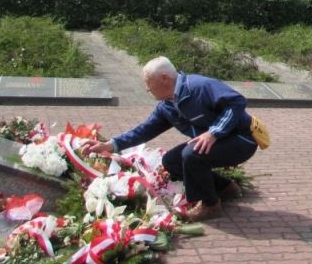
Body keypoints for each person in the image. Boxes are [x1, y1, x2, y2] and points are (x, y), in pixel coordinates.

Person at [78, 56, 257, 222]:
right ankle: (226, 188)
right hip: (216, 142)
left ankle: (210, 205)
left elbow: (237, 101)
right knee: (171, 161)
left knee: (191, 155)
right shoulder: (167, 106)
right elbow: (144, 130)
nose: (147, 88)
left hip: (241, 139)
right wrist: (109, 145)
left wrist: (213, 132)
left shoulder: (198, 86)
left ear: (164, 78)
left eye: (149, 83)